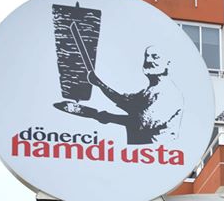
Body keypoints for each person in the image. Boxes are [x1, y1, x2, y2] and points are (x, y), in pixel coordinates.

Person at [53, 46, 183, 145]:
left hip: (154, 154)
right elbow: (124, 102)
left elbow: (141, 123)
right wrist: (99, 84)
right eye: (146, 56)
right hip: (140, 154)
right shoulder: (150, 90)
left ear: (168, 63)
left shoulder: (169, 94)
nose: (148, 60)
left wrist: (100, 115)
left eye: (155, 57)